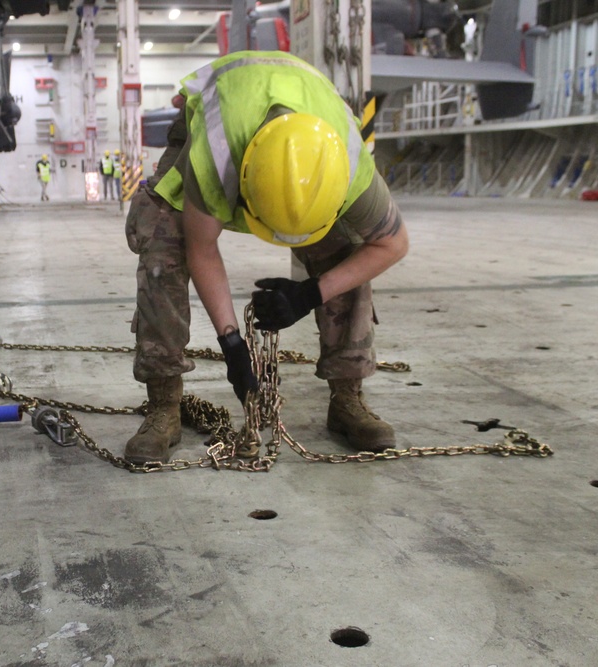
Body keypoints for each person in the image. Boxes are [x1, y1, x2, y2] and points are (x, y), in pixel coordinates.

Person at [123, 50, 409, 464]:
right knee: (163, 244)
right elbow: (203, 250)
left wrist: (310, 293)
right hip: (206, 119)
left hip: (305, 111)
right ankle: (164, 406)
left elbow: (393, 244)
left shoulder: (349, 165)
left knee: (347, 251)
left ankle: (348, 397)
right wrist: (232, 343)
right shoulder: (217, 155)